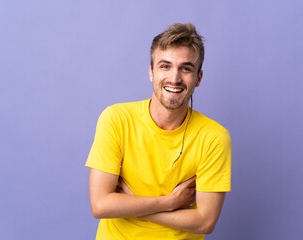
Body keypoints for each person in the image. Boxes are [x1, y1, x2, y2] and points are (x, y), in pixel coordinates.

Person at [86, 23, 232, 240]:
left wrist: (133, 207)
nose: (174, 79)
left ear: (198, 78)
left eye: (186, 68)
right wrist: (170, 202)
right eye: (165, 66)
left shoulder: (213, 137)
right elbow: (100, 205)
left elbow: (205, 221)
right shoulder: (116, 119)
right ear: (151, 72)